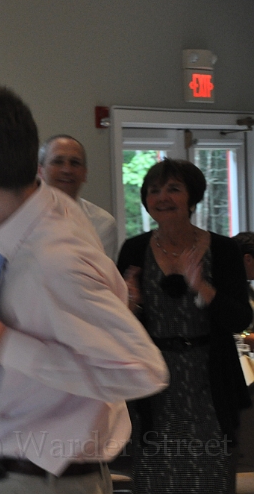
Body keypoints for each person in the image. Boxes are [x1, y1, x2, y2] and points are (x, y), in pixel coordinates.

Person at [0, 86, 169, 494]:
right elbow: (22, 278)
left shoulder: (53, 256)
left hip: (47, 479)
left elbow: (143, 369)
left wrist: (7, 347)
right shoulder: (44, 213)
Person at [118, 159, 252, 494]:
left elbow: (240, 318)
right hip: (154, 382)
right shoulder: (134, 249)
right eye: (154, 190)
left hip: (209, 379)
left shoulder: (223, 250)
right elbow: (119, 326)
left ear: (193, 197)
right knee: (156, 476)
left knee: (211, 474)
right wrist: (130, 306)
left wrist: (202, 287)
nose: (162, 197)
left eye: (173, 189)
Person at [38, 134, 118, 258]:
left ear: (85, 173)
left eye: (75, 163)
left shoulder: (102, 223)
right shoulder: (20, 216)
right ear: (40, 172)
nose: (67, 170)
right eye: (58, 162)